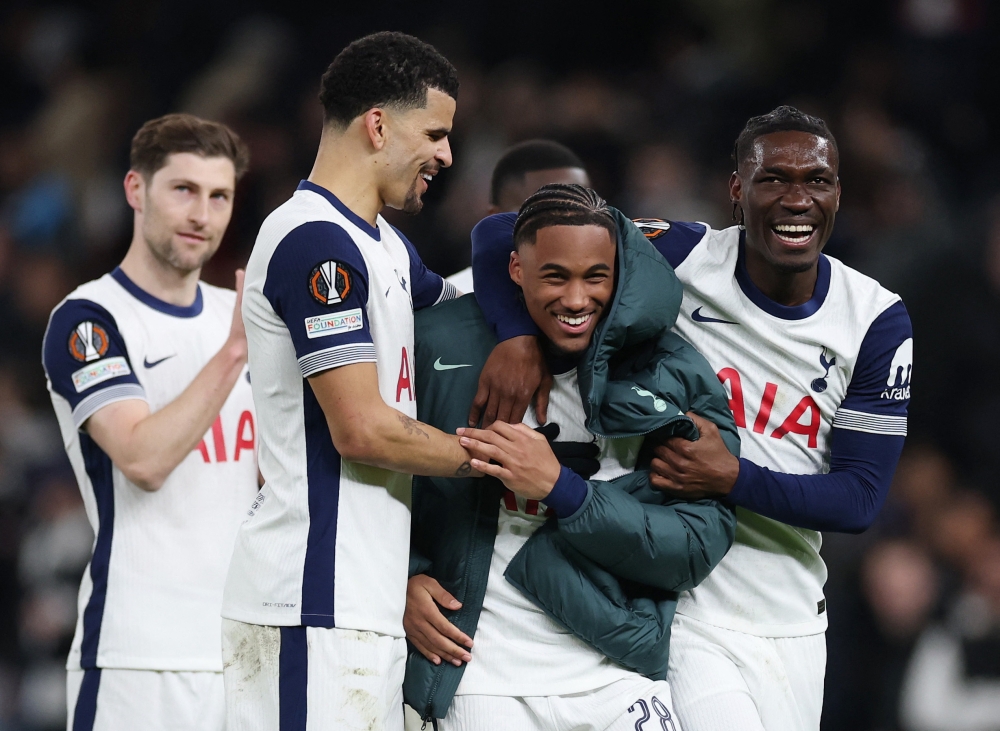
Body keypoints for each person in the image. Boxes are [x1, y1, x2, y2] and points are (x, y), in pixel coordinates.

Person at [471, 107, 913, 731]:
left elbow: (860, 501)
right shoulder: (681, 255)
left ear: (838, 192)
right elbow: (503, 234)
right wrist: (516, 336)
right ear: (737, 188)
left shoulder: (875, 319)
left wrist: (730, 477)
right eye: (773, 179)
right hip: (686, 603)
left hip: (792, 615)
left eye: (816, 181)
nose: (797, 199)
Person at [403, 184, 739, 730]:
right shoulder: (438, 343)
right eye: (556, 276)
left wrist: (563, 490)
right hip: (477, 672)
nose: (578, 299)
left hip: (613, 669)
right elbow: (361, 483)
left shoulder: (671, 369)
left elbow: (694, 545)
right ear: (515, 269)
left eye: (596, 277)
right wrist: (400, 580)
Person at [219, 32, 474, 731]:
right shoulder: (314, 241)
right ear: (378, 125)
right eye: (436, 133)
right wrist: (494, 460)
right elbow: (361, 427)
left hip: (358, 601)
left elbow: (467, 306)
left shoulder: (381, 244)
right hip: (309, 601)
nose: (447, 156)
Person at [41, 113, 255, 731]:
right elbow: (142, 459)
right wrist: (234, 353)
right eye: (183, 190)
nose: (202, 215)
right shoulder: (88, 318)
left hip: (241, 649)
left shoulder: (232, 315)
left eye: (220, 197)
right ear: (136, 190)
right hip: (138, 655)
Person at [445, 139, 589, 293]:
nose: (567, 226)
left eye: (579, 211)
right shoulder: (453, 299)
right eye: (542, 212)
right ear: (496, 219)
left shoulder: (607, 296)